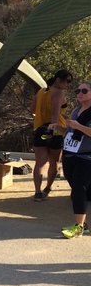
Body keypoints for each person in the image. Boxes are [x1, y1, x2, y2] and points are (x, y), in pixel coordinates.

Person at [32, 69, 72, 201]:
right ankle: (47, 188)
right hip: (55, 131)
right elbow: (55, 115)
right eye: (67, 81)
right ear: (58, 80)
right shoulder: (59, 93)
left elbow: (32, 109)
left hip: (39, 129)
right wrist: (53, 130)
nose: (68, 84)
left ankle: (37, 192)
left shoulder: (41, 91)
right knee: (54, 162)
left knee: (39, 163)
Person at [61, 80, 91, 238]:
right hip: (70, 155)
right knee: (76, 188)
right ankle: (83, 224)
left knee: (79, 188)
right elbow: (70, 132)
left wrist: (78, 126)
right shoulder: (76, 110)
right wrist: (57, 127)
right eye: (78, 90)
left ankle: (78, 226)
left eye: (84, 91)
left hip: (86, 157)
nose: (79, 93)